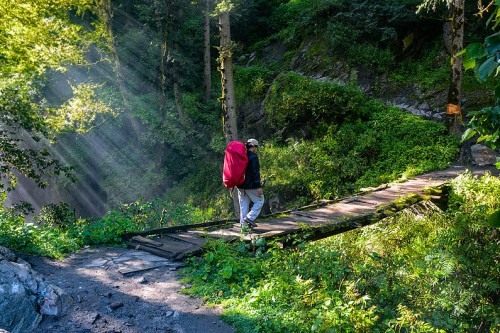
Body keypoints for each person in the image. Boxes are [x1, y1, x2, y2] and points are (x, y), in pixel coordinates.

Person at [237, 138, 264, 229]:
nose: (256, 149)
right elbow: (255, 172)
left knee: (244, 205)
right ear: (253, 146)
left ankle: (243, 225)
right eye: (256, 147)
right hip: (250, 185)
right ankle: (249, 218)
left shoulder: (241, 156)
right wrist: (258, 186)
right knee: (260, 200)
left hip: (240, 185)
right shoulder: (253, 157)